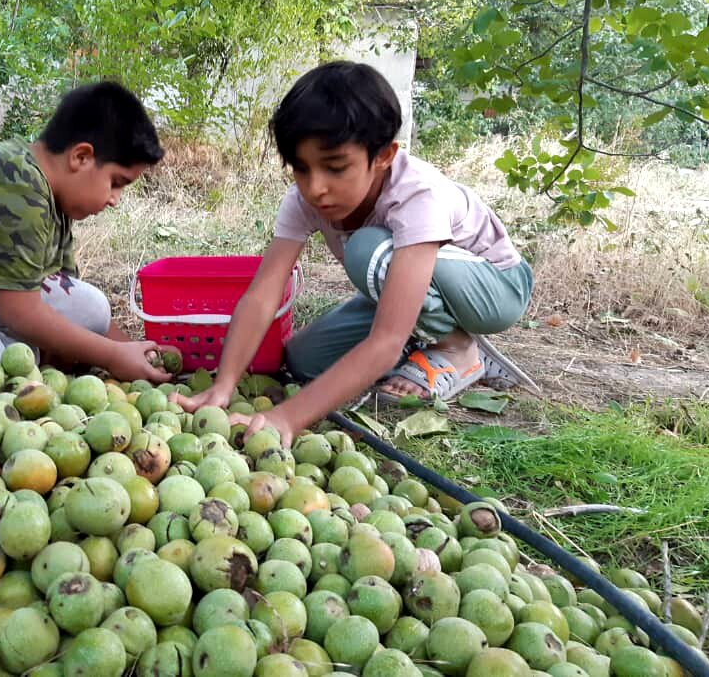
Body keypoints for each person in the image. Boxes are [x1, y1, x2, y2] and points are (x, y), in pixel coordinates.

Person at [177, 61, 534, 443]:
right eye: (301, 168)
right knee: (302, 359)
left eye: (335, 167)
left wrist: (289, 417)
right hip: (406, 282)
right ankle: (428, 339)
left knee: (367, 250)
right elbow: (264, 293)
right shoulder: (303, 200)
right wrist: (225, 383)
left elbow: (386, 339)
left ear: (383, 155)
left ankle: (458, 349)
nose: (316, 188)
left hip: (495, 289)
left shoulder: (417, 195)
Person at [0, 81, 174, 383]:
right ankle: (31, 358)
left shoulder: (55, 196)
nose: (114, 200)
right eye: (116, 182)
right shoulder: (13, 184)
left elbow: (58, 291)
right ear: (81, 157)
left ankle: (31, 354)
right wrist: (111, 356)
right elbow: (19, 312)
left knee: (92, 307)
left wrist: (133, 351)